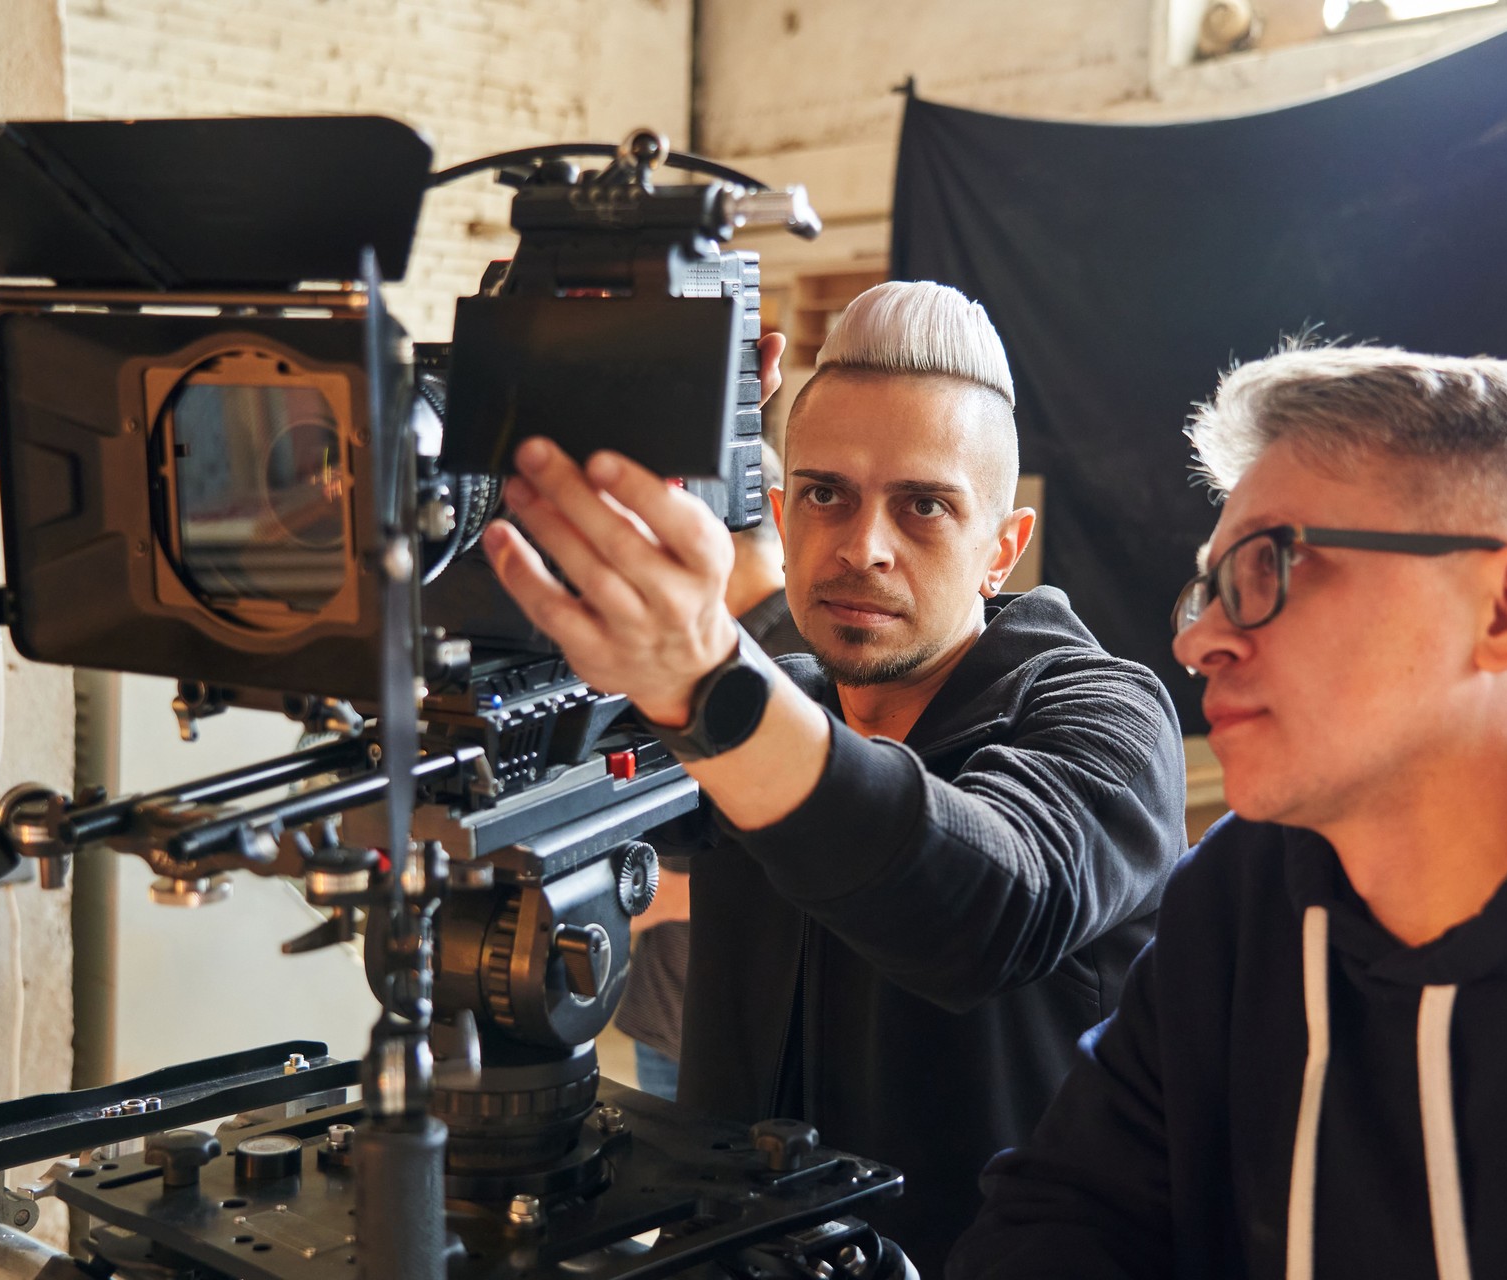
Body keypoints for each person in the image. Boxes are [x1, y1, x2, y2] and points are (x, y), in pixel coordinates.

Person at [949, 345, 1507, 1278]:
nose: (1200, 640)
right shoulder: (1238, 904)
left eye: (1265, 568)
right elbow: (1064, 1219)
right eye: (1207, 591)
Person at [483, 282, 1187, 1275]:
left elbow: (990, 905)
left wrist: (714, 686)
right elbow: (533, 742)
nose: (864, 545)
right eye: (827, 493)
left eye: (925, 504)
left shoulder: (1104, 714)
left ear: (1003, 545)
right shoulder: (790, 701)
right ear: (780, 510)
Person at [615, 443, 807, 1100]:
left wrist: (641, 897)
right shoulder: (691, 659)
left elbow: (817, 869)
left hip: (751, 1036)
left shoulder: (795, 660)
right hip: (667, 1016)